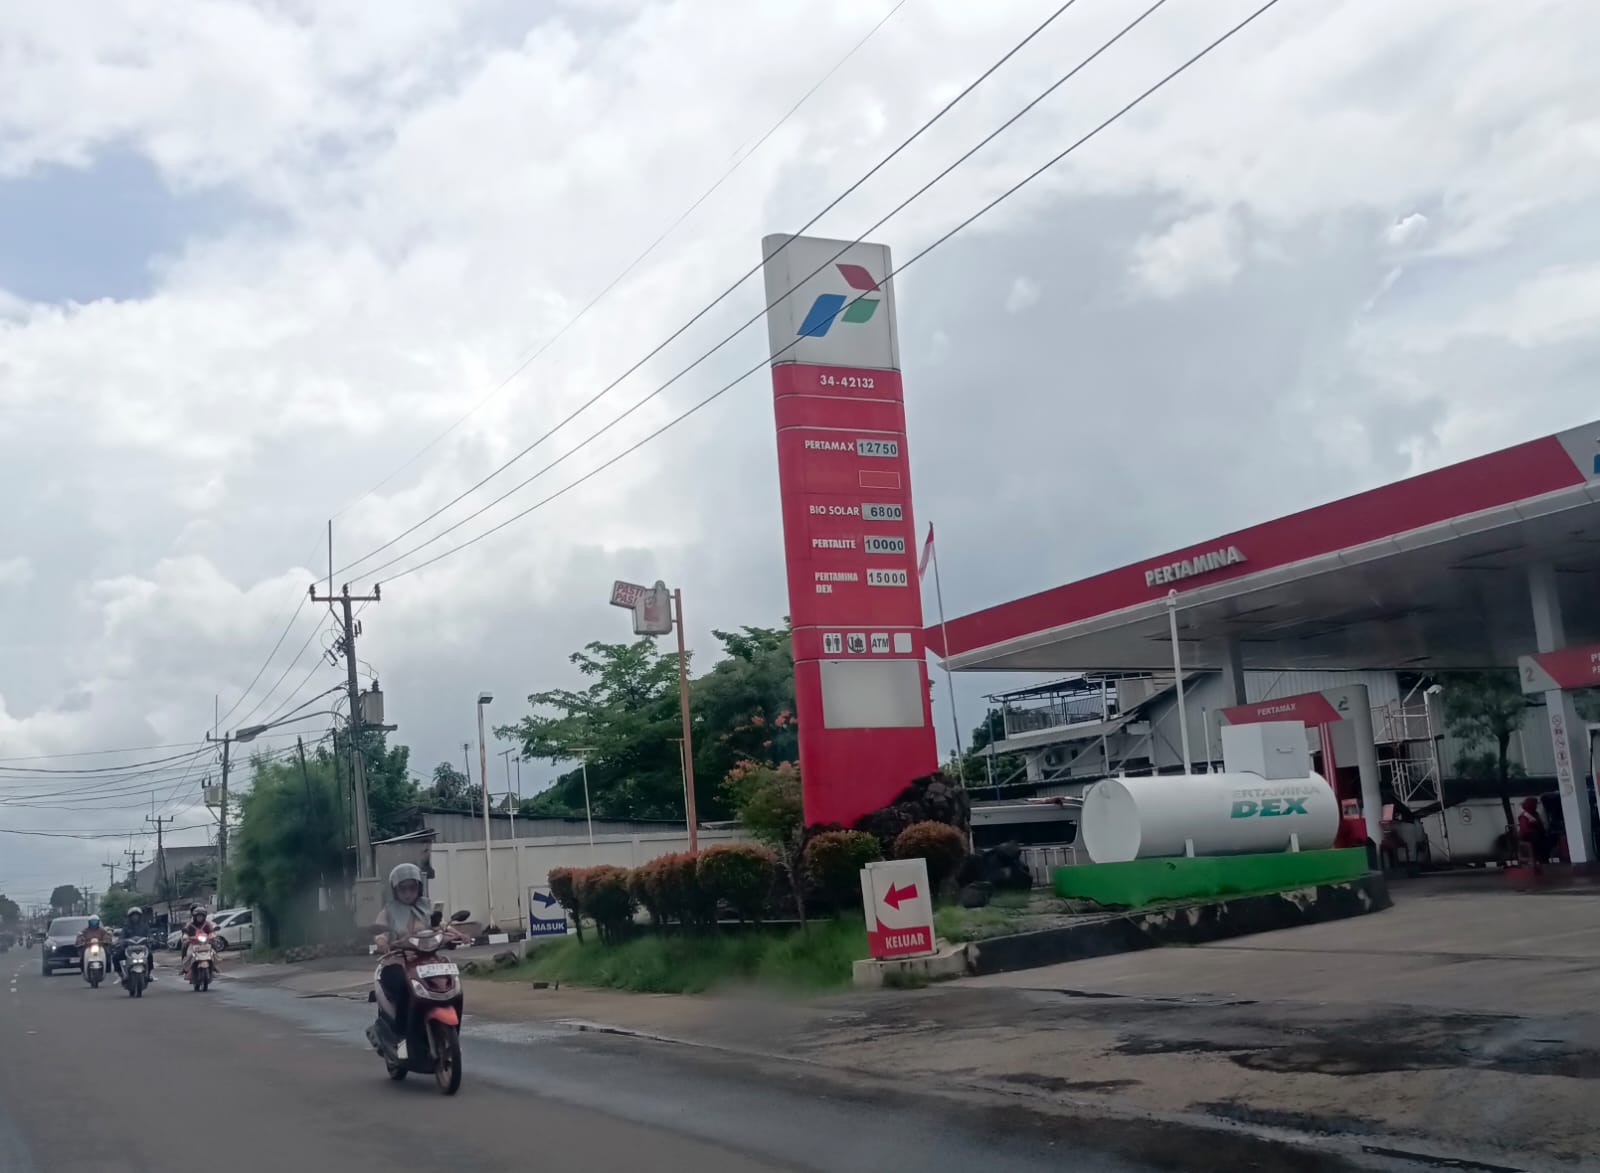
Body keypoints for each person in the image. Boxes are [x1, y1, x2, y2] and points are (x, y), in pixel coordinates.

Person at [370, 863, 435, 1037]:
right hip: (397, 960)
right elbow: (380, 930)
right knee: (405, 987)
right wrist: (382, 941)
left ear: (419, 888)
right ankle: (401, 1034)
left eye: (412, 888)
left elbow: (441, 926)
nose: (408, 893)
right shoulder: (389, 910)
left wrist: (458, 934)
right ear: (395, 890)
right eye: (403, 889)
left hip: (425, 960)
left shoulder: (426, 906)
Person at [113, 906, 156, 983]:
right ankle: (120, 975)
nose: (135, 917)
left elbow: (149, 934)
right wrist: (120, 941)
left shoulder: (144, 926)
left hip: (142, 948)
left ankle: (149, 974)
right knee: (116, 957)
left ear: (140, 916)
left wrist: (151, 938)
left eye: (137, 915)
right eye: (133, 915)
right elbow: (122, 936)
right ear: (130, 917)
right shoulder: (126, 927)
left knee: (150, 956)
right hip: (129, 949)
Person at [180, 906, 215, 976]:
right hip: (193, 943)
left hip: (205, 943)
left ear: (204, 917)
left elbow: (211, 931)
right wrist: (186, 936)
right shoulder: (190, 924)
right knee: (187, 952)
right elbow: (186, 931)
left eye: (201, 916)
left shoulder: (207, 924)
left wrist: (212, 936)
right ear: (194, 916)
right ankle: (185, 968)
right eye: (198, 916)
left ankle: (213, 968)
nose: (200, 918)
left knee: (213, 951)